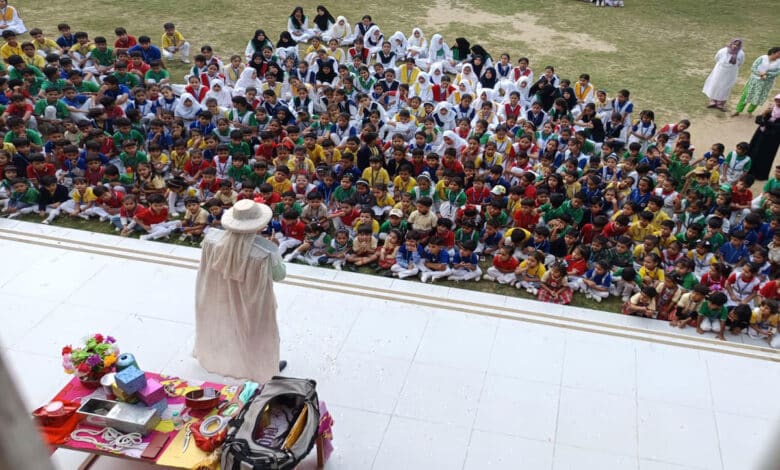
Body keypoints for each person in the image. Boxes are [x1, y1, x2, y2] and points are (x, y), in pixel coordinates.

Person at [194, 199, 287, 382]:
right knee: (255, 330)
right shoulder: (267, 251)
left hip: (219, 292)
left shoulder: (212, 238)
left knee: (223, 321)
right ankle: (262, 366)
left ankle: (221, 357)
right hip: (250, 298)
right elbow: (279, 275)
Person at [733, 47, 780, 117]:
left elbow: (777, 72)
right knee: (746, 95)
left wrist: (767, 74)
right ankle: (738, 111)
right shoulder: (762, 58)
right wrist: (760, 74)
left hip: (766, 83)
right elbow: (753, 67)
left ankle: (750, 111)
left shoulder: (779, 62)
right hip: (754, 80)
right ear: (773, 53)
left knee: (758, 97)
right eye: (779, 53)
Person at [702, 39, 744, 111]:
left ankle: (720, 104)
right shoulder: (723, 50)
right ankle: (712, 101)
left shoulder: (741, 53)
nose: (735, 46)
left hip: (730, 73)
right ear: (731, 43)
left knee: (725, 87)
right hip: (719, 71)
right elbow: (717, 58)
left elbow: (740, 63)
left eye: (737, 45)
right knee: (716, 84)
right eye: (734, 44)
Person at [748, 94, 780, 181]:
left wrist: (765, 121)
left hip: (772, 139)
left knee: (765, 155)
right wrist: (763, 114)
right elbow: (758, 120)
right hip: (760, 135)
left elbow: (777, 127)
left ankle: (760, 174)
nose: (778, 102)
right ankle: (748, 170)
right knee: (754, 151)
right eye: (777, 100)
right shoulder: (771, 110)